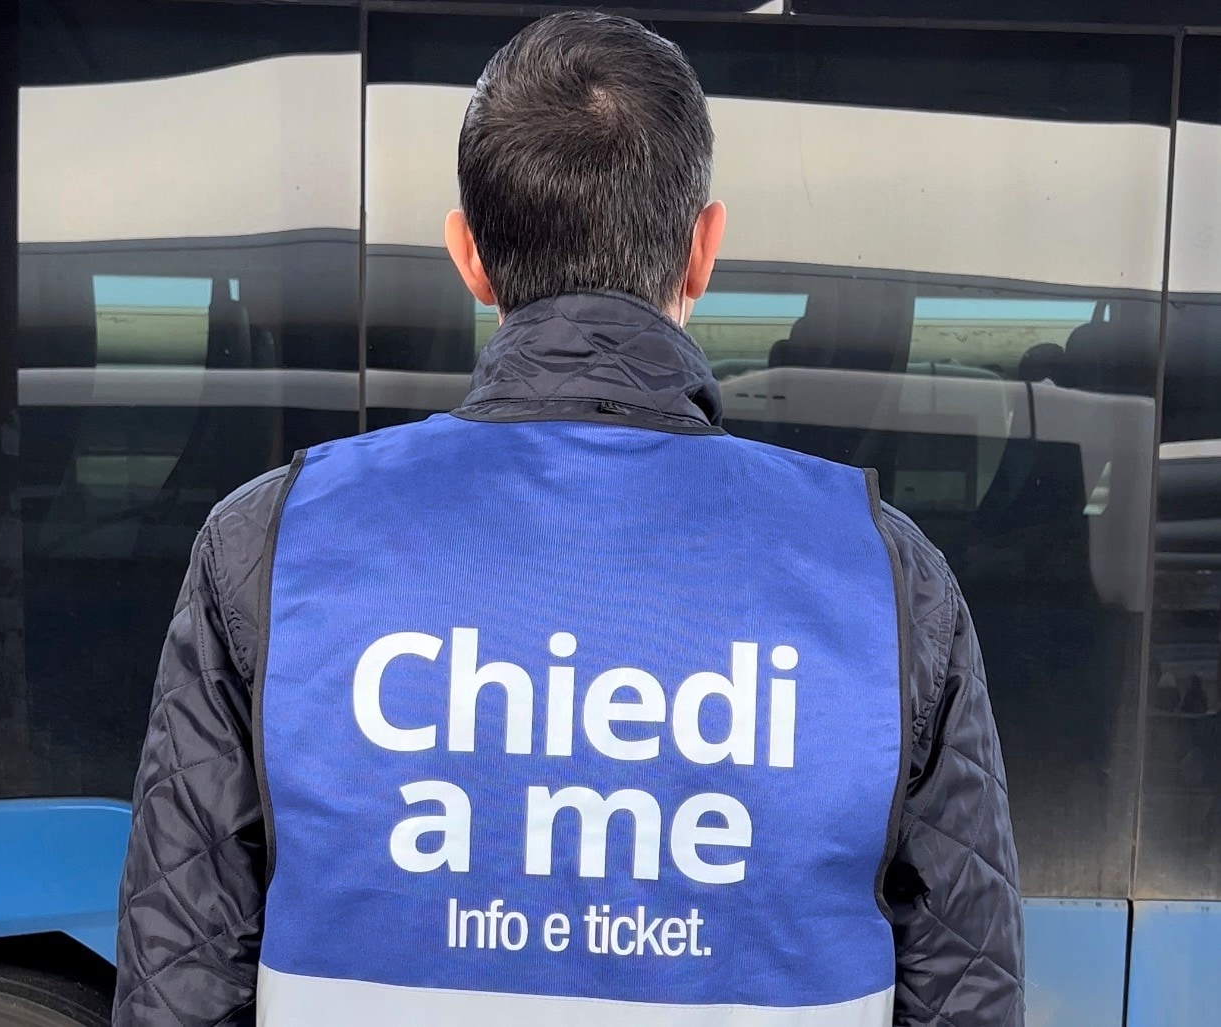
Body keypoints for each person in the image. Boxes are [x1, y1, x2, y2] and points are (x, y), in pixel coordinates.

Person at [113, 11, 1023, 1026]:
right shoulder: (888, 577)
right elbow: (966, 992)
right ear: (703, 249)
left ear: (468, 255)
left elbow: (180, 987)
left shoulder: (269, 546)